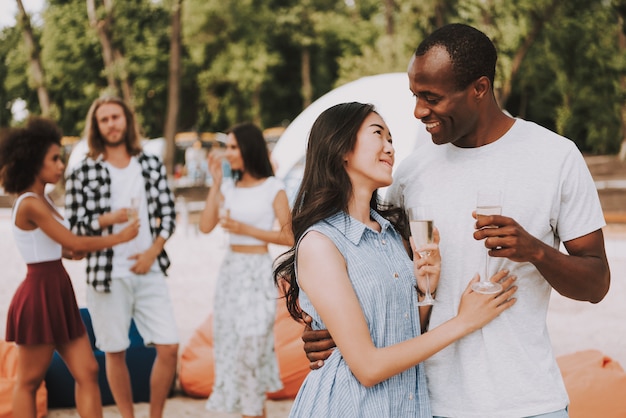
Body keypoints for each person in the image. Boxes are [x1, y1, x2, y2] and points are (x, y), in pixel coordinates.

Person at [303, 24, 611, 418]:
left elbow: (596, 283)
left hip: (528, 403)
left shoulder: (556, 157)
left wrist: (536, 251)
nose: (418, 111)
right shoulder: (410, 174)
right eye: (415, 96)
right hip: (424, 403)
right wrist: (327, 332)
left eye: (431, 97)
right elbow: (376, 278)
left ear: (479, 88)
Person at [273, 102, 517, 417]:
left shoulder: (391, 235)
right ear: (341, 148)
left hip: (403, 407)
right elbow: (368, 367)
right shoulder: (320, 244)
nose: (390, 148)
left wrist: (425, 290)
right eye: (379, 135)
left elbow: (401, 332)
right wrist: (464, 321)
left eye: (391, 139)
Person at [0, 117, 139, 418]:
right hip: (38, 294)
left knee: (88, 371)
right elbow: (74, 240)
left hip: (58, 289)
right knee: (29, 381)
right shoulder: (29, 203)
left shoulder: (44, 199)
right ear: (34, 161)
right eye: (54, 159)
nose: (61, 165)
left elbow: (63, 247)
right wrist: (119, 237)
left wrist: (74, 251)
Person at [65, 96, 179, 418]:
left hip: (150, 268)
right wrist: (106, 220)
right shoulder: (83, 170)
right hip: (106, 273)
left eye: (116, 116)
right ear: (96, 126)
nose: (112, 123)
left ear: (127, 120)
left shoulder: (150, 162)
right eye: (104, 119)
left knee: (169, 347)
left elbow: (169, 215)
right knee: (114, 351)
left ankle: (155, 415)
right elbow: (73, 227)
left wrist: (152, 253)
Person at [199, 122, 293, 418]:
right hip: (231, 273)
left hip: (256, 271)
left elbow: (289, 236)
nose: (227, 153)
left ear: (247, 149)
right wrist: (215, 184)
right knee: (232, 350)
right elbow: (205, 227)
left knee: (252, 349)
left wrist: (245, 229)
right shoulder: (228, 187)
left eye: (232, 147)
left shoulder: (272, 187)